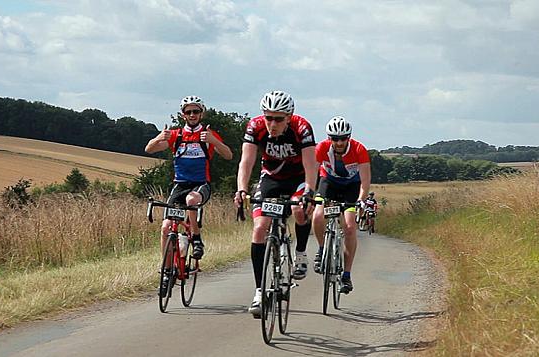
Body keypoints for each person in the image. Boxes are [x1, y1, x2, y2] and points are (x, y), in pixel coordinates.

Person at [234, 90, 317, 318]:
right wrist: (241, 189)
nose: (272, 123)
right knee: (260, 228)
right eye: (268, 117)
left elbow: (312, 164)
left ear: (289, 117)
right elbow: (246, 161)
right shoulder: (255, 127)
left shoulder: (302, 128)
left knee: (299, 210)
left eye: (278, 119)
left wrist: (309, 191)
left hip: (298, 178)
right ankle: (259, 291)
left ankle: (300, 253)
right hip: (270, 178)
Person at [145, 95, 232, 269]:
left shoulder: (207, 135)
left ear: (202, 114)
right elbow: (149, 149)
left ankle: (197, 239)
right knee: (166, 227)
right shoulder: (176, 135)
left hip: (200, 184)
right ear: (183, 114)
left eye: (196, 111)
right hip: (180, 185)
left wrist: (213, 141)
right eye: (188, 112)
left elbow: (229, 155)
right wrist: (159, 137)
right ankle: (166, 269)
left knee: (191, 200)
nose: (192, 115)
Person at [311, 116, 371, 294]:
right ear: (329, 138)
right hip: (327, 183)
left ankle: (346, 274)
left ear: (349, 137)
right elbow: (312, 171)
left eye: (343, 138)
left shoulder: (359, 149)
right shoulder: (321, 148)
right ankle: (322, 249)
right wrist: (308, 193)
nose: (338, 142)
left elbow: (365, 181)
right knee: (318, 214)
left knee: (350, 227)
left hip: (350, 187)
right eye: (334, 139)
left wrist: (361, 199)